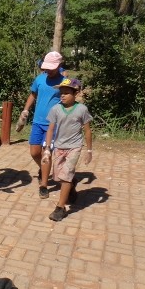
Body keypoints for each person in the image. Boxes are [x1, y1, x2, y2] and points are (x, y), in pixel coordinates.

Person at [42, 78, 93, 222]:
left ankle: (60, 208)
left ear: (75, 93)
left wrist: (89, 151)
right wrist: (47, 149)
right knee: (57, 177)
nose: (62, 95)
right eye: (61, 93)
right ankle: (71, 184)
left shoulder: (82, 109)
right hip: (59, 146)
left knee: (65, 175)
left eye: (66, 93)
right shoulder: (56, 109)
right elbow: (51, 129)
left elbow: (87, 131)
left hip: (75, 147)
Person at [17, 51, 66, 198]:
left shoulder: (63, 81)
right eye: (47, 67)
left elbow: (68, 99)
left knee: (46, 153)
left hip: (53, 124)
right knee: (34, 152)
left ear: (59, 66)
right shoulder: (39, 79)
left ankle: (44, 185)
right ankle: (44, 169)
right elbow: (33, 95)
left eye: (52, 67)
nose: (49, 70)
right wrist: (25, 111)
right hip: (37, 122)